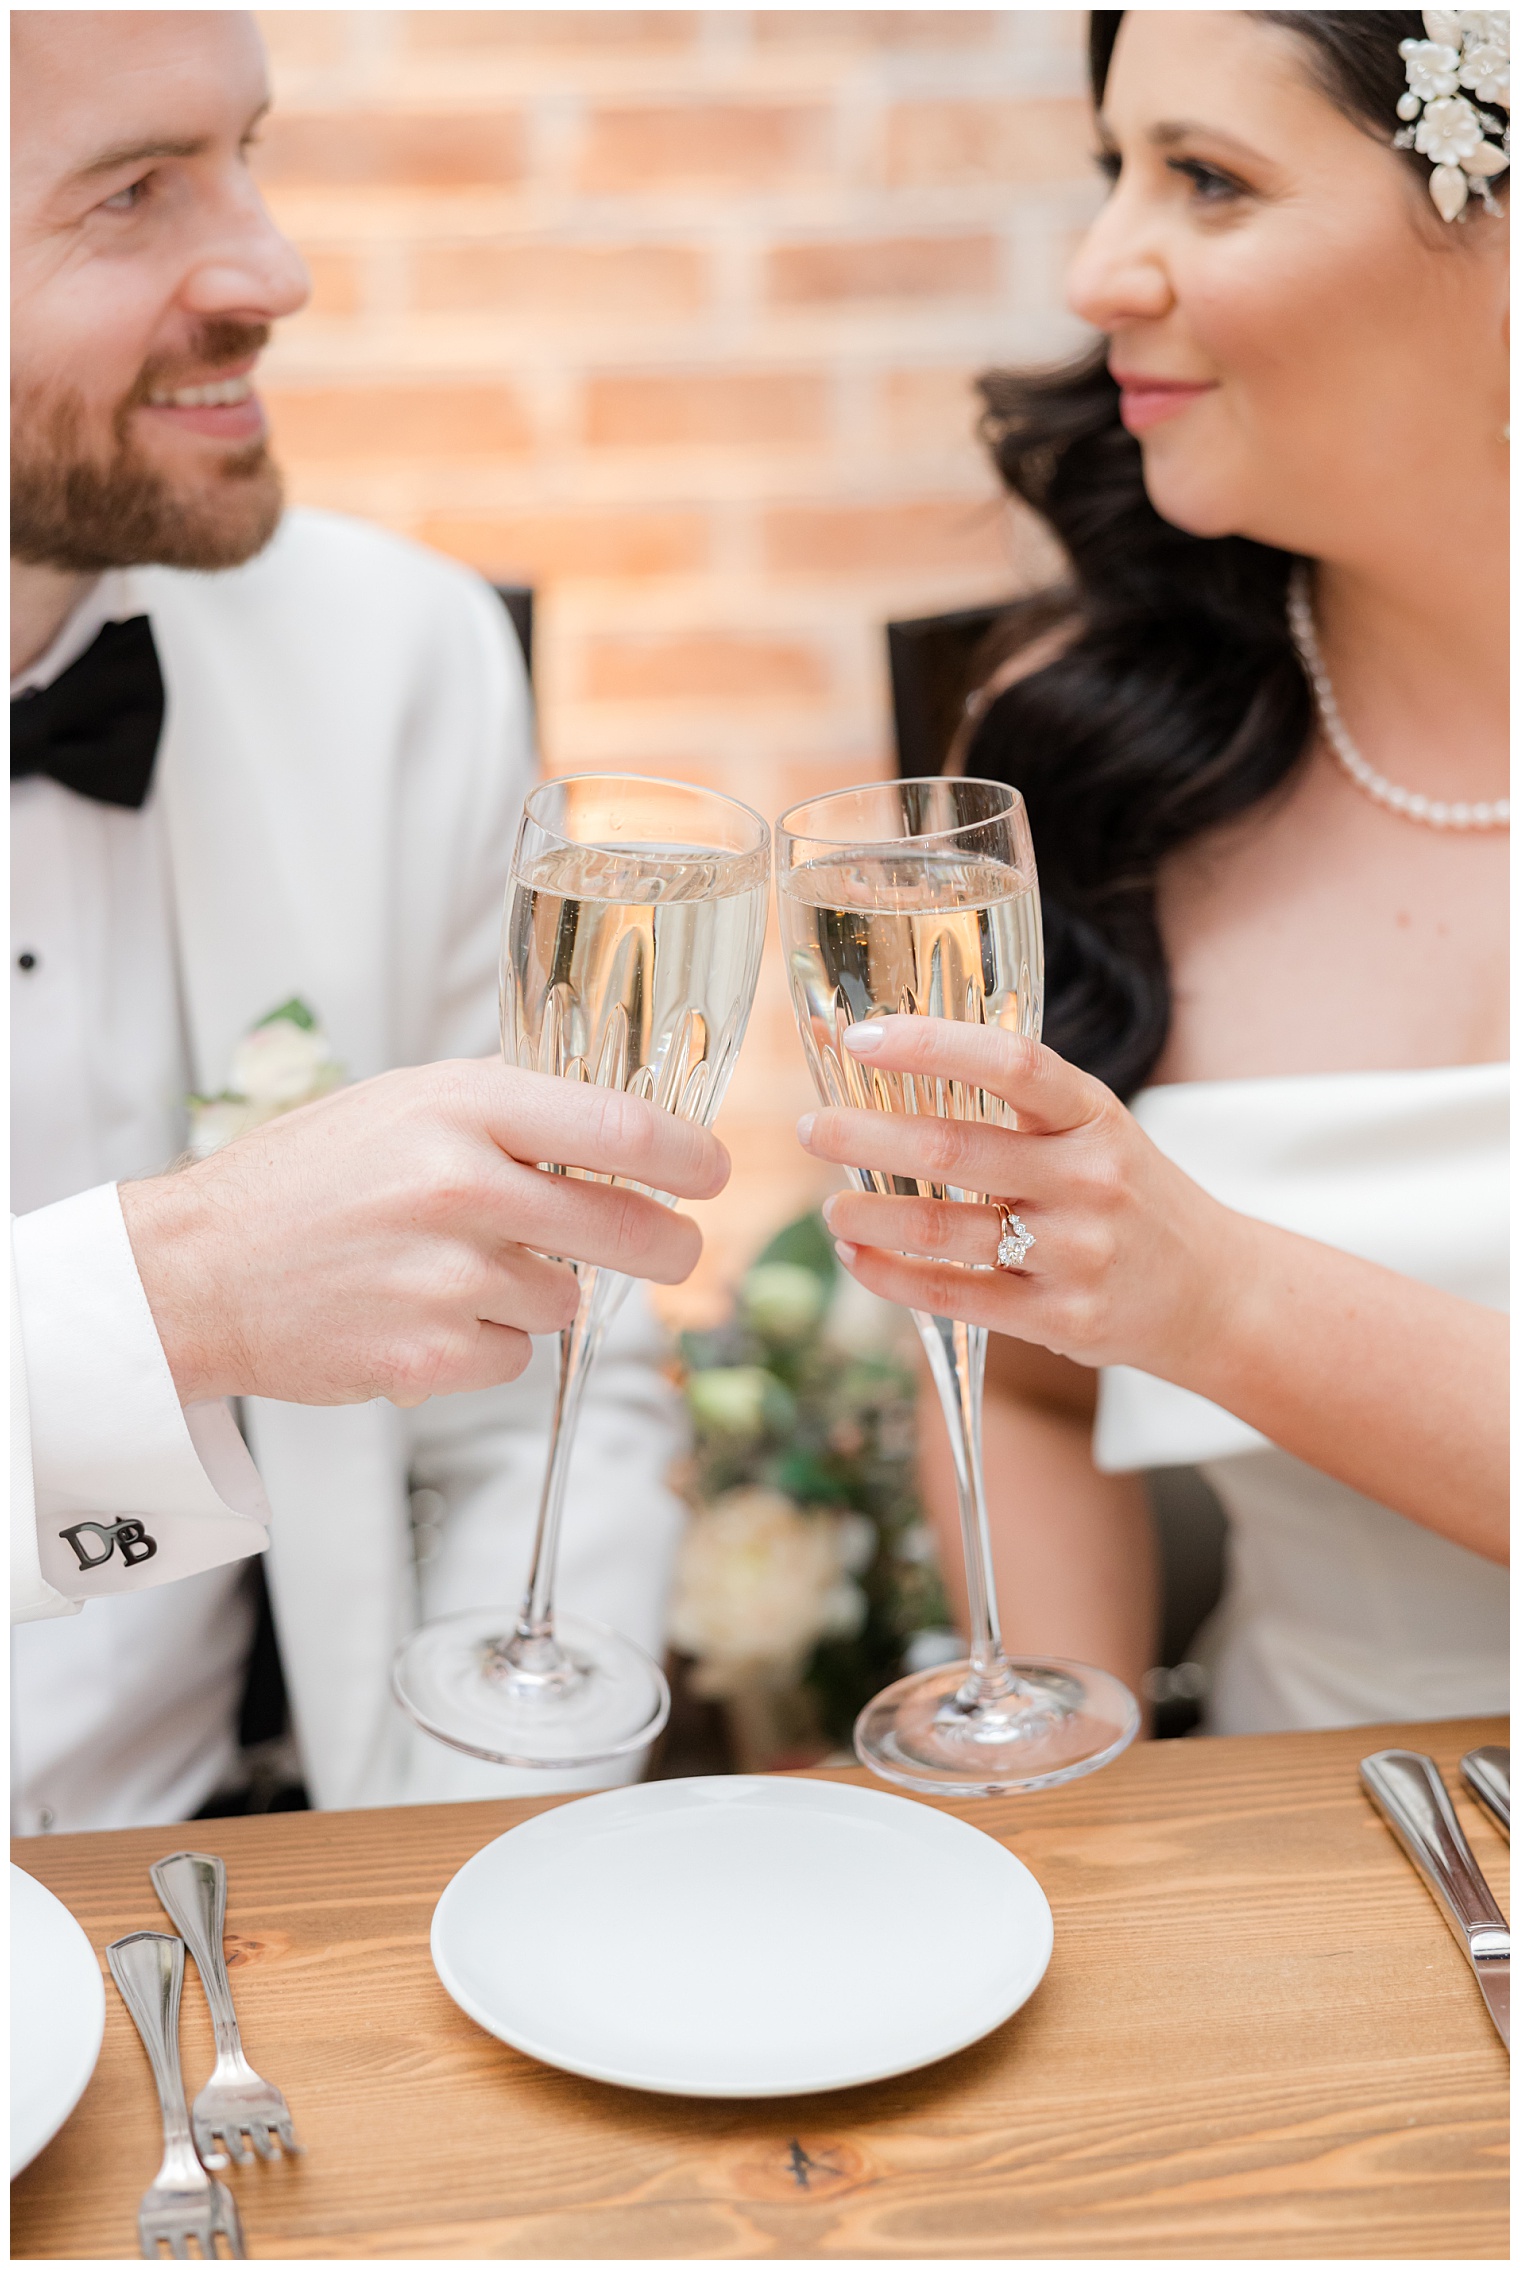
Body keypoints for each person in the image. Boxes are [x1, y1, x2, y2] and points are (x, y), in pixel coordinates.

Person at [10, 9, 725, 1829]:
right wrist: (179, 1295)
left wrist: (474, 1845)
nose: (275, 267)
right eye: (130, 194)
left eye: (247, 152)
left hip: (254, 1892)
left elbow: (548, 1373)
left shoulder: (398, 659)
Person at [797, 9, 1507, 1732]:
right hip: (1309, 1854)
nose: (1103, 265)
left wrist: (1230, 1297)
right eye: (1114, 170)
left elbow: (1183, 1286)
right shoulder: (1093, 745)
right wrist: (1082, 1805)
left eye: (1207, 178)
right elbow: (1032, 1394)